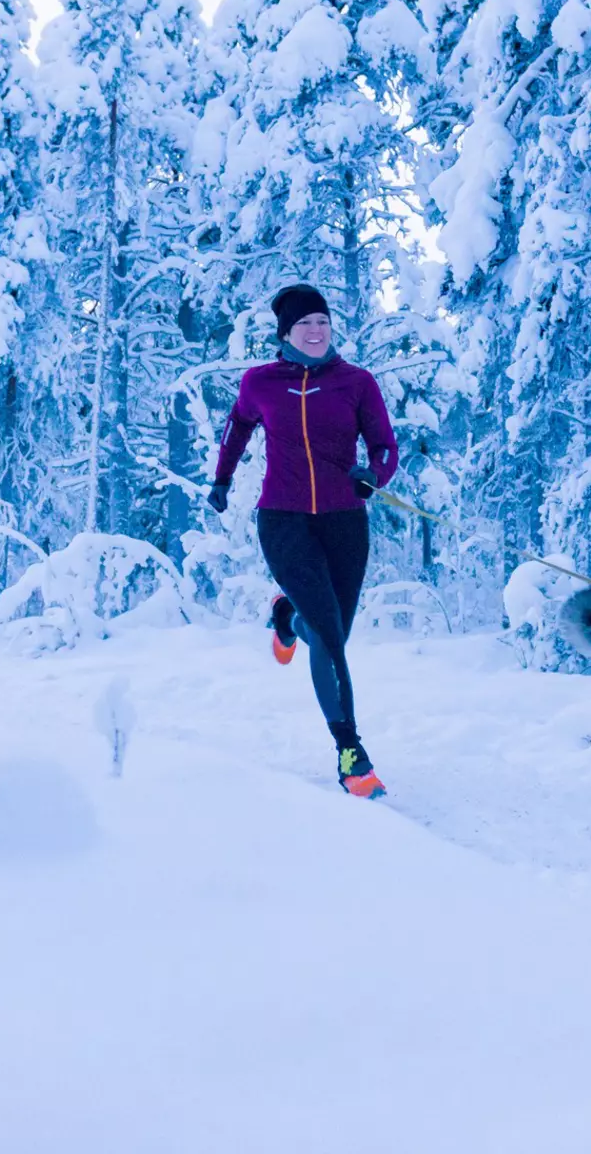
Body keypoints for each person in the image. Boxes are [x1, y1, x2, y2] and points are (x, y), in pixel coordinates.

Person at [207, 284, 399, 798]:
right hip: (284, 520)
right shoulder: (260, 383)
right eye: (304, 325)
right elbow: (237, 428)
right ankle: (350, 753)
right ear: (285, 334)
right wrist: (221, 479)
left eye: (323, 323)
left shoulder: (356, 383)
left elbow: (384, 446)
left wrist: (373, 476)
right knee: (331, 639)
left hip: (344, 522)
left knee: (332, 632)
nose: (316, 332)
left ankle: (287, 617)